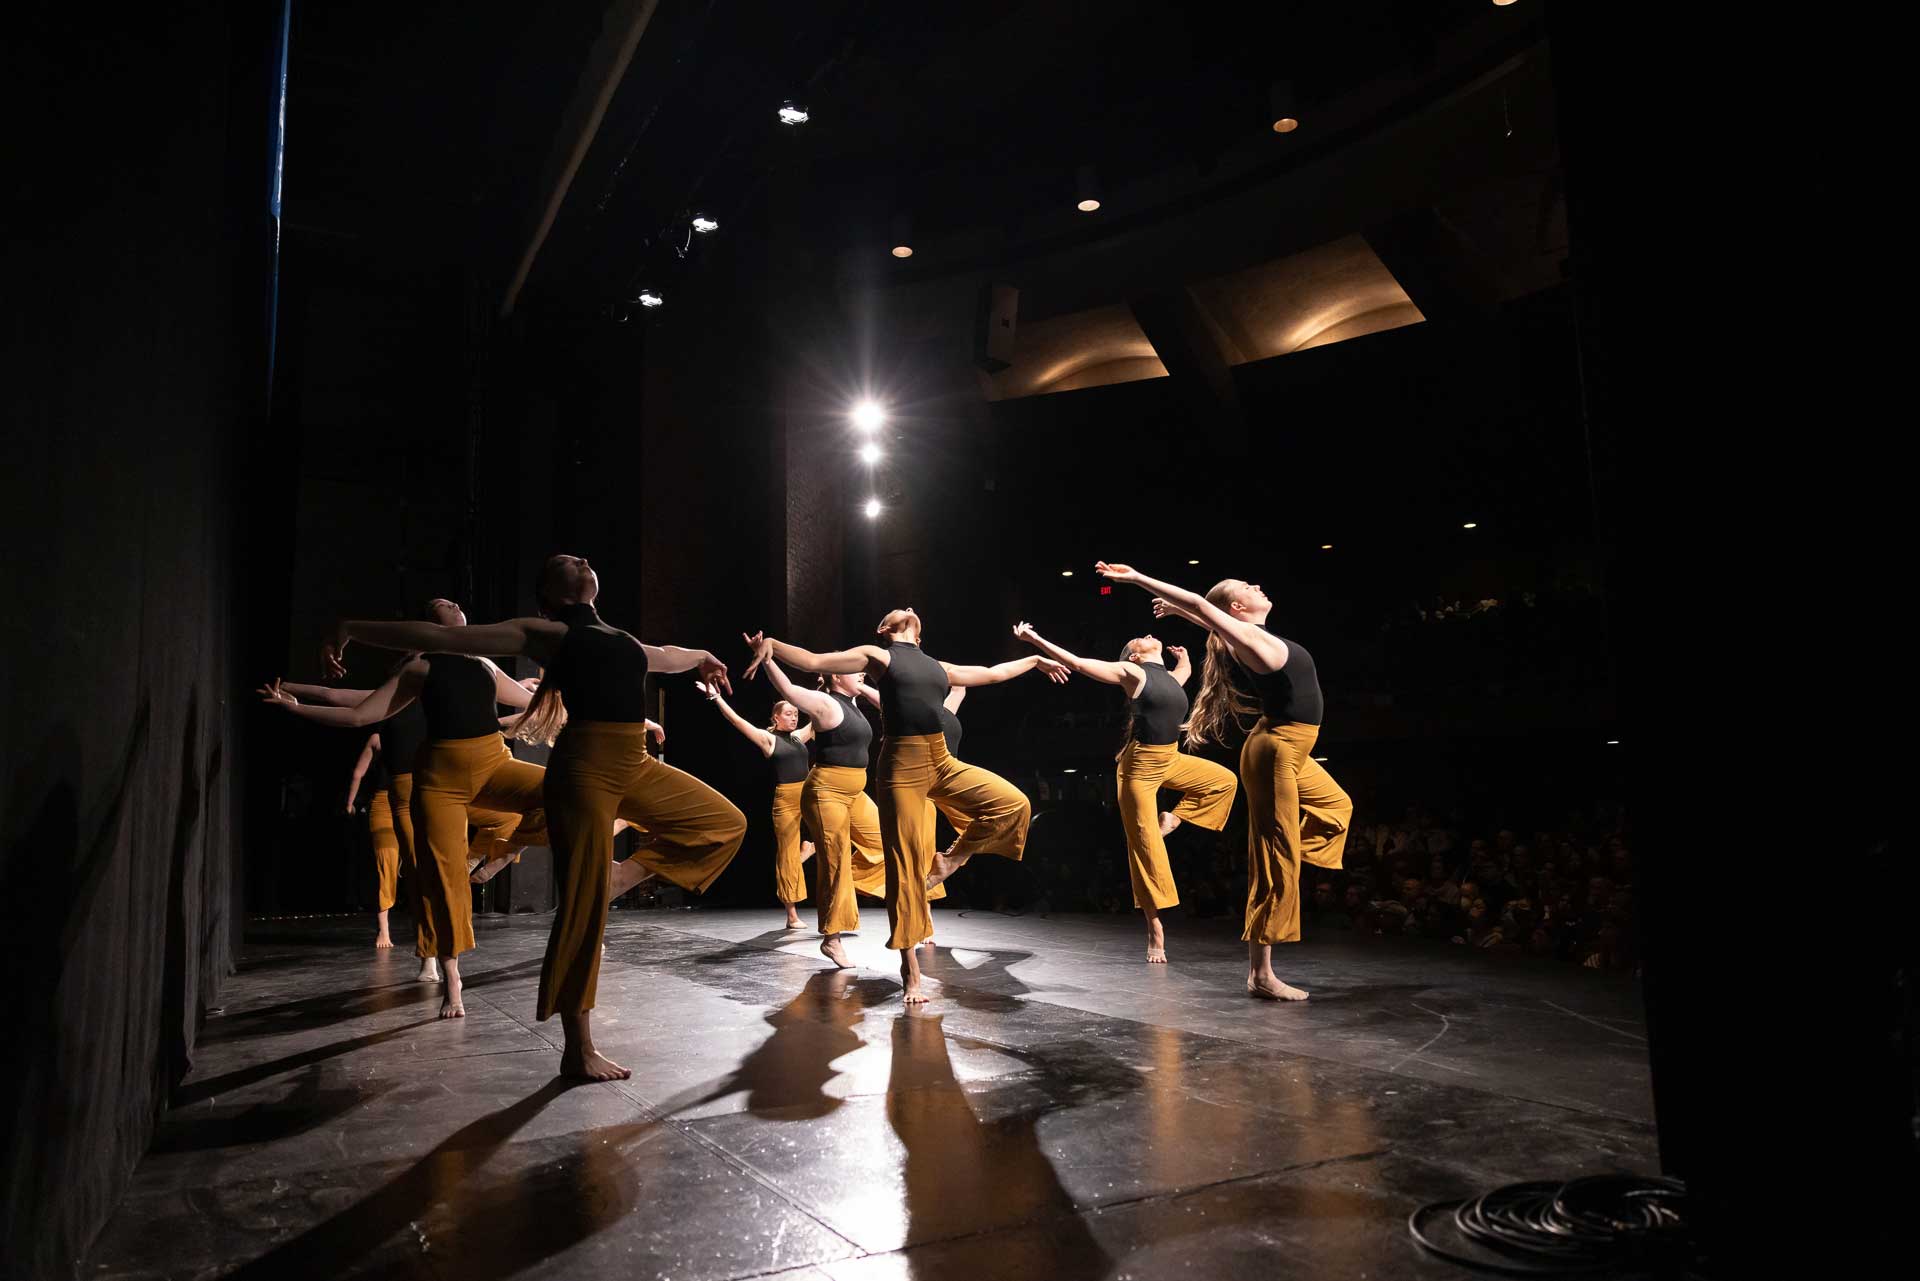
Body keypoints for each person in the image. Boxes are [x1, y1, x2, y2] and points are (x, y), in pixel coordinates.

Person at [321, 554, 746, 1080]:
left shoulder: (617, 635)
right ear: (552, 593)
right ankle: (578, 1048)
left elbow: (665, 655)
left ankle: (622, 875)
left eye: (582, 558)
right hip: (585, 766)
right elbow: (443, 639)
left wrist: (703, 655)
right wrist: (349, 628)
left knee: (722, 822)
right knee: (582, 913)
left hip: (630, 761)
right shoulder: (543, 633)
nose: (583, 558)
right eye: (568, 561)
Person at [742, 610, 1066, 1003]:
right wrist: (772, 647)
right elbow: (813, 662)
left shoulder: (937, 666)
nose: (909, 609)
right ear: (884, 628)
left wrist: (1033, 659)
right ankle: (909, 969)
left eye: (913, 612)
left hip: (941, 758)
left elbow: (993, 673)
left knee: (1014, 804)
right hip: (900, 767)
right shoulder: (878, 656)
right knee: (905, 864)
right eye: (899, 612)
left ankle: (950, 860)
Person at [1096, 563, 1352, 1001]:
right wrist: (1138, 579)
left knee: (1337, 806)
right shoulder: (1249, 639)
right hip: (1277, 750)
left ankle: (1287, 852)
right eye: (1247, 587)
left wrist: (1183, 614)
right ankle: (1261, 974)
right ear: (1237, 607)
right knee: (1275, 860)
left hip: (1294, 749)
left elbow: (1206, 613)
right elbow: (1202, 604)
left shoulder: (1244, 637)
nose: (1257, 584)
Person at [1011, 620, 1236, 962]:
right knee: (1146, 847)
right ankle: (1155, 930)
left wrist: (1185, 657)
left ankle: (1174, 818)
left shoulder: (1172, 678)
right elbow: (1078, 663)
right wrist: (1034, 638)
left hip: (1171, 759)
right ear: (1134, 655)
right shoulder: (1132, 674)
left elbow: (1185, 673)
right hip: (1139, 769)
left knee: (1224, 781)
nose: (1148, 634)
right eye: (1140, 637)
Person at [696, 678, 817, 930]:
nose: (794, 718)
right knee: (786, 855)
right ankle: (792, 915)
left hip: (808, 794)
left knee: (830, 836)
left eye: (796, 714)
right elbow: (737, 722)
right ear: (776, 717)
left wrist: (827, 688)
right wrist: (716, 698)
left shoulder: (797, 737)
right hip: (785, 799)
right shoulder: (768, 739)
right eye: (788, 714)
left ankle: (806, 852)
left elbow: (819, 717)